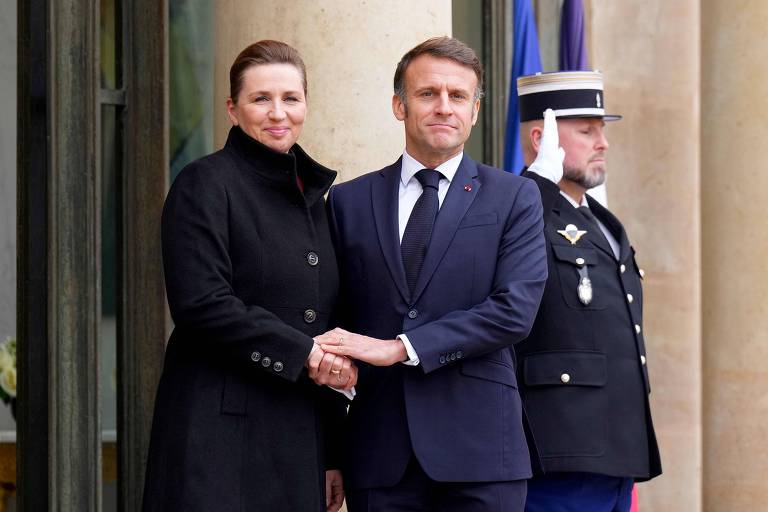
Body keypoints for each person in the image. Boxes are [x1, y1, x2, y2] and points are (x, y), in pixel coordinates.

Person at [317, 37, 547, 512]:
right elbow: (329, 327)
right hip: (379, 456)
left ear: (476, 111)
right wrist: (329, 450)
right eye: (428, 94)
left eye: (458, 96)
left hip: (482, 456)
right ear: (399, 105)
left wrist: (401, 347)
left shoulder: (514, 198)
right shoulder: (347, 202)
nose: (444, 107)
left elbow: (513, 312)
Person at [142, 40, 355, 512]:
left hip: (298, 438)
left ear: (305, 104)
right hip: (217, 436)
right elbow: (201, 303)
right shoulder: (204, 183)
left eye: (290, 98)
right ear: (232, 108)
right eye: (261, 99)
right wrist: (304, 353)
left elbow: (326, 322)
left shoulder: (316, 202)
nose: (278, 113)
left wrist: (332, 453)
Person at [514, 71, 662, 512]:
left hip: (613, 448)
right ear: (542, 139)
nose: (603, 142)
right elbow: (496, 254)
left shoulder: (599, 219)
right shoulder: (519, 207)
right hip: (560, 450)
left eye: (602, 130)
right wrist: (536, 185)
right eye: (586, 131)